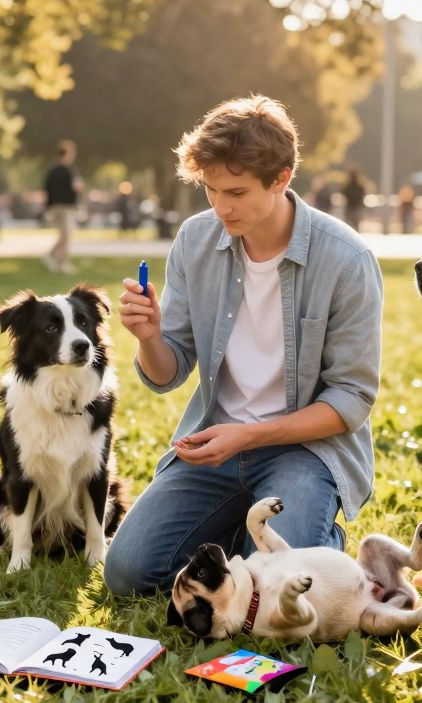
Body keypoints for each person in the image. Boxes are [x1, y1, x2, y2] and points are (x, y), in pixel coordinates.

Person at [105, 95, 384, 596]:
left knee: (272, 592)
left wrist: (249, 436)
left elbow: (351, 401)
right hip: (216, 448)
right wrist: (149, 337)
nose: (220, 207)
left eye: (235, 192)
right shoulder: (195, 240)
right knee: (127, 575)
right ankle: (264, 545)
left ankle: (314, 537)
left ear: (282, 177)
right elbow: (167, 371)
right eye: (210, 190)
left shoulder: (346, 260)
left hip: (304, 451)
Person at [42, 140, 82, 274]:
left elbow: (46, 189)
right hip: (66, 207)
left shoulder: (51, 170)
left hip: (54, 207)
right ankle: (58, 259)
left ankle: (59, 261)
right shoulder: (70, 171)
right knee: (66, 235)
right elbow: (76, 187)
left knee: (64, 235)